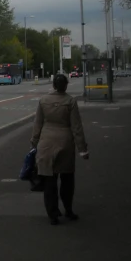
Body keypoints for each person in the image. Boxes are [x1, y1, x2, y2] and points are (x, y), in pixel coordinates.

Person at [31, 73, 89, 225]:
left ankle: (52, 215)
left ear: (54, 86)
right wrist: (83, 149)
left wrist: (34, 143)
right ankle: (68, 210)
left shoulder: (43, 101)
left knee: (49, 181)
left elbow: (37, 124)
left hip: (46, 143)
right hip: (65, 143)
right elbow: (76, 127)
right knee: (67, 180)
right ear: (66, 85)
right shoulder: (70, 101)